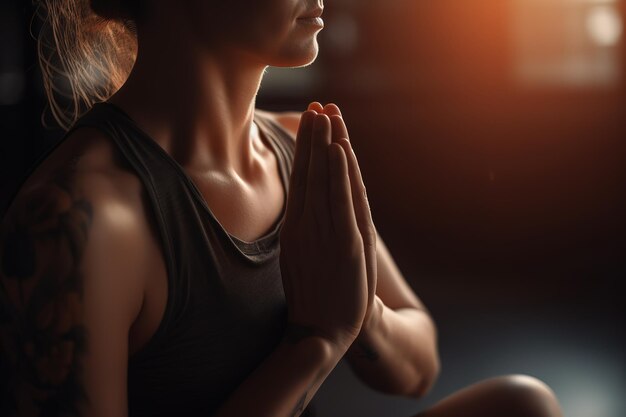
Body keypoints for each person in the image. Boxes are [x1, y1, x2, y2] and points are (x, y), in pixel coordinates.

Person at [0, 0, 564, 416]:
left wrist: (359, 313)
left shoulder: (300, 148)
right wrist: (313, 345)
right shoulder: (79, 218)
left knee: (524, 404)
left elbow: (419, 369)